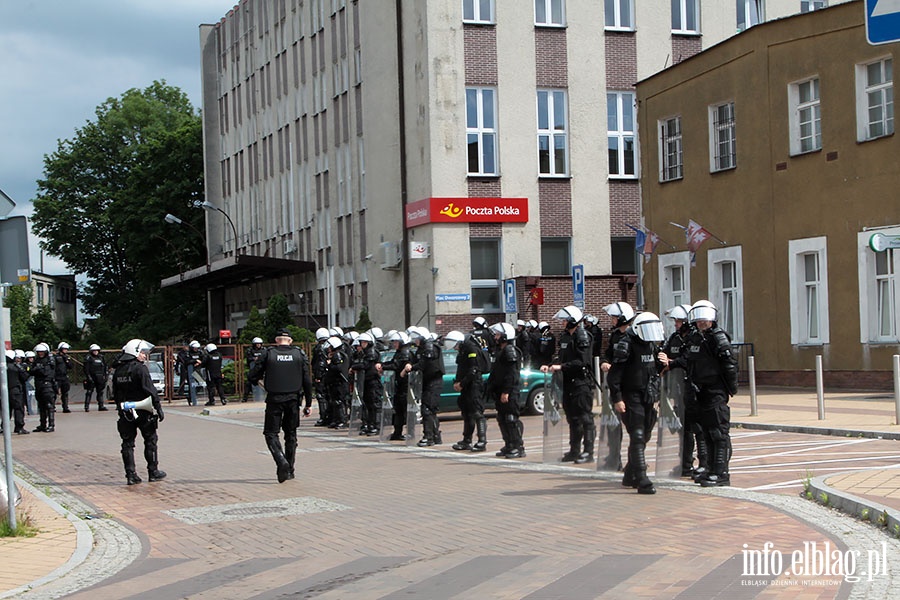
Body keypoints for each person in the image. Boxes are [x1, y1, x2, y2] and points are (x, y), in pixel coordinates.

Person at [662, 300, 738, 487]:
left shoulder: (718, 338)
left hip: (715, 390)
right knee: (706, 431)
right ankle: (710, 469)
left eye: (705, 320)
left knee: (718, 432)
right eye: (699, 320)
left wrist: (730, 388)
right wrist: (671, 364)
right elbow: (687, 359)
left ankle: (721, 473)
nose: (702, 323)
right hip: (700, 389)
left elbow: (730, 365)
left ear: (712, 319)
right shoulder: (696, 338)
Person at [608, 312, 666, 495]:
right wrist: (617, 398)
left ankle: (630, 473)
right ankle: (642, 478)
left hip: (647, 395)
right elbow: (614, 375)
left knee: (646, 433)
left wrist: (661, 363)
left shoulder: (650, 344)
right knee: (638, 434)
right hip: (630, 395)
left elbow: (652, 369)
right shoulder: (626, 344)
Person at [249, 328, 314, 483]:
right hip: (293, 400)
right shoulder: (299, 354)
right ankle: (290, 469)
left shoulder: (268, 353)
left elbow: (253, 374)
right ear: (290, 341)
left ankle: (281, 461)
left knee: (271, 433)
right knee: (291, 434)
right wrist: (309, 403)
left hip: (274, 399)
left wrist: (259, 382)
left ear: (277, 340)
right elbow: (307, 380)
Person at [542, 305, 595, 464]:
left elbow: (582, 361)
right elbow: (561, 357)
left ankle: (588, 451)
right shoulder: (565, 337)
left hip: (581, 383)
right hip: (567, 383)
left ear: (573, 321)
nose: (563, 323)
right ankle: (574, 450)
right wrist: (550, 365)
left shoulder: (582, 336)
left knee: (585, 417)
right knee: (572, 418)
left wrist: (562, 367)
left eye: (565, 320)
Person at [112, 339, 166, 485]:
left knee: (127, 443)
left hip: (125, 411)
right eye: (142, 352)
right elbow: (150, 389)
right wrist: (158, 407)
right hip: (143, 410)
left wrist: (120, 410)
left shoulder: (118, 370)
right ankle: (153, 472)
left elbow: (115, 394)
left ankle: (130, 475)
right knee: (150, 440)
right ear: (135, 352)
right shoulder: (140, 369)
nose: (144, 355)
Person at [662, 304, 706, 478]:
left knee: (699, 429)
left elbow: (689, 360)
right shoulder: (674, 338)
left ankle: (704, 463)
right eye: (675, 321)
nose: (676, 324)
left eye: (679, 321)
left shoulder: (696, 338)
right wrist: (663, 360)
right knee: (684, 429)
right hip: (678, 390)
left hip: (695, 389)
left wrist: (672, 362)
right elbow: (664, 354)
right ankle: (685, 464)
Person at [599, 301, 636, 470]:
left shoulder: (635, 335)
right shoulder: (614, 335)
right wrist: (606, 362)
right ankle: (614, 457)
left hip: (629, 385)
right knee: (613, 425)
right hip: (615, 386)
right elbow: (607, 354)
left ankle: (635, 460)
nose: (612, 320)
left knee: (633, 426)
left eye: (615, 317)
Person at [446, 330, 489, 452]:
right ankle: (467, 440)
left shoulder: (471, 349)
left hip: (474, 384)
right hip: (466, 386)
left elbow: (473, 369)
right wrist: (457, 381)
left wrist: (462, 383)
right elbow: (461, 368)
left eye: (455, 346)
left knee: (477, 412)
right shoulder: (463, 350)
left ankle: (482, 441)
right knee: (466, 413)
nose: (455, 349)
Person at [487, 322, 524, 458]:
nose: (495, 337)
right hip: (500, 391)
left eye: (498, 335)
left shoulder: (510, 351)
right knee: (502, 418)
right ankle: (509, 444)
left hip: (509, 392)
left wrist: (506, 391)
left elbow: (511, 374)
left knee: (511, 419)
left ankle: (518, 446)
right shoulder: (501, 351)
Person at [403, 326, 443, 447]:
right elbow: (416, 360)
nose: (415, 342)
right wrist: (410, 364)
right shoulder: (421, 349)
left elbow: (424, 364)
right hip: (427, 381)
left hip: (433, 381)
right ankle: (435, 435)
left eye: (417, 339)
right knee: (430, 410)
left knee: (427, 409)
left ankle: (428, 436)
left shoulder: (430, 348)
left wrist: (412, 367)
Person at [350, 332, 383, 436]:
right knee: (368, 404)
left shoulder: (371, 353)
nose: (361, 344)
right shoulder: (365, 353)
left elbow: (366, 365)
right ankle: (369, 425)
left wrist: (354, 367)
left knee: (374, 404)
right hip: (367, 381)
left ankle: (376, 426)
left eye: (363, 342)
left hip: (373, 381)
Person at [381, 330, 412, 440]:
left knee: (406, 411)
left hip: (406, 386)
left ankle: (410, 433)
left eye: (396, 342)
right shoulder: (399, 352)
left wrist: (383, 367)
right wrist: (383, 365)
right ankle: (397, 432)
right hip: (400, 385)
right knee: (398, 410)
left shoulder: (405, 352)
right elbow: (393, 362)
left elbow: (396, 365)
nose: (394, 344)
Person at [324, 336, 350, 429]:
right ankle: (336, 420)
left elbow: (339, 368)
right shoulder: (337, 354)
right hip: (335, 383)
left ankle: (342, 420)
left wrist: (330, 364)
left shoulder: (338, 355)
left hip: (339, 383)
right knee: (335, 402)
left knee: (340, 402)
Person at [31, 343, 57, 432]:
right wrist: (37, 369)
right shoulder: (36, 360)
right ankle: (42, 424)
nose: (40, 354)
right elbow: (31, 371)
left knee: (49, 405)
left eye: (42, 352)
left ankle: (51, 425)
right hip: (38, 385)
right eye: (39, 352)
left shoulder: (50, 360)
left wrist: (39, 369)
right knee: (41, 406)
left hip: (47, 385)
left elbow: (47, 373)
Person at [311, 328, 332, 425]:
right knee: (328, 395)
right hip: (328, 374)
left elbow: (319, 363)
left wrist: (318, 376)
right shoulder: (330, 346)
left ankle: (324, 417)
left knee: (321, 396)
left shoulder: (319, 348)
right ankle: (329, 416)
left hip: (322, 375)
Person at [5, 350, 29, 434]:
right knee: (18, 409)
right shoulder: (15, 367)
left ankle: (4, 427)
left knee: (6, 410)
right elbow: (25, 377)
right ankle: (19, 427)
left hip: (5, 391)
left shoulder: (3, 367)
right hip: (15, 391)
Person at [83, 344, 109, 412]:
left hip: (100, 377)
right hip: (92, 377)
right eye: (94, 351)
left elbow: (105, 367)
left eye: (97, 351)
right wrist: (88, 377)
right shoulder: (89, 358)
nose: (96, 352)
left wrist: (105, 376)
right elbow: (86, 369)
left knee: (100, 392)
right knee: (89, 392)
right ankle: (86, 406)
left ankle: (101, 406)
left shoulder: (101, 357)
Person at [242, 337, 265, 402]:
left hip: (261, 370)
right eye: (257, 344)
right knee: (248, 383)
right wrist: (253, 359)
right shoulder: (250, 350)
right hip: (253, 370)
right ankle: (245, 398)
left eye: (259, 344)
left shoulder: (264, 350)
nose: (258, 345)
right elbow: (248, 359)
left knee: (263, 383)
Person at [54, 341, 73, 413]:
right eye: (64, 349)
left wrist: (67, 360)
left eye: (66, 349)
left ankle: (65, 407)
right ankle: (53, 407)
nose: (66, 350)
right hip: (57, 377)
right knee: (54, 392)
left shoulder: (67, 357)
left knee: (65, 392)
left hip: (64, 377)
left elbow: (71, 366)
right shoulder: (56, 357)